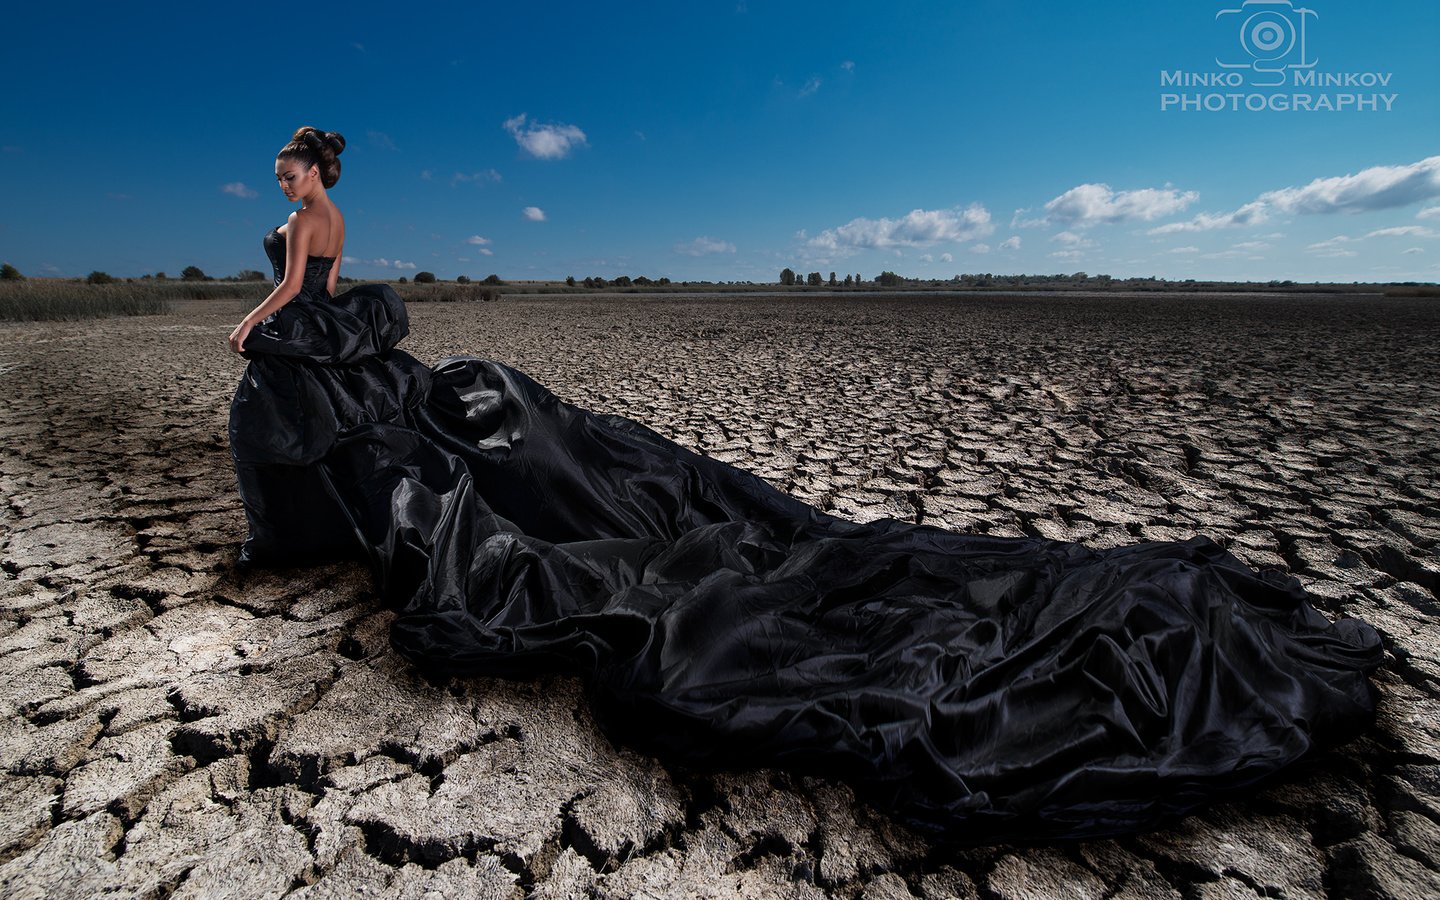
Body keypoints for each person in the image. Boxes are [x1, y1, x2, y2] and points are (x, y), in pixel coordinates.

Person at [227, 126, 1383, 842]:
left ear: (314, 172)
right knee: (466, 448)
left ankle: (322, 520)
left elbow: (296, 303)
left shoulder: (305, 226)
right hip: (351, 369)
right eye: (285, 169)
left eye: (291, 166)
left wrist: (255, 318)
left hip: (330, 365)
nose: (284, 179)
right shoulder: (325, 219)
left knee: (643, 539)